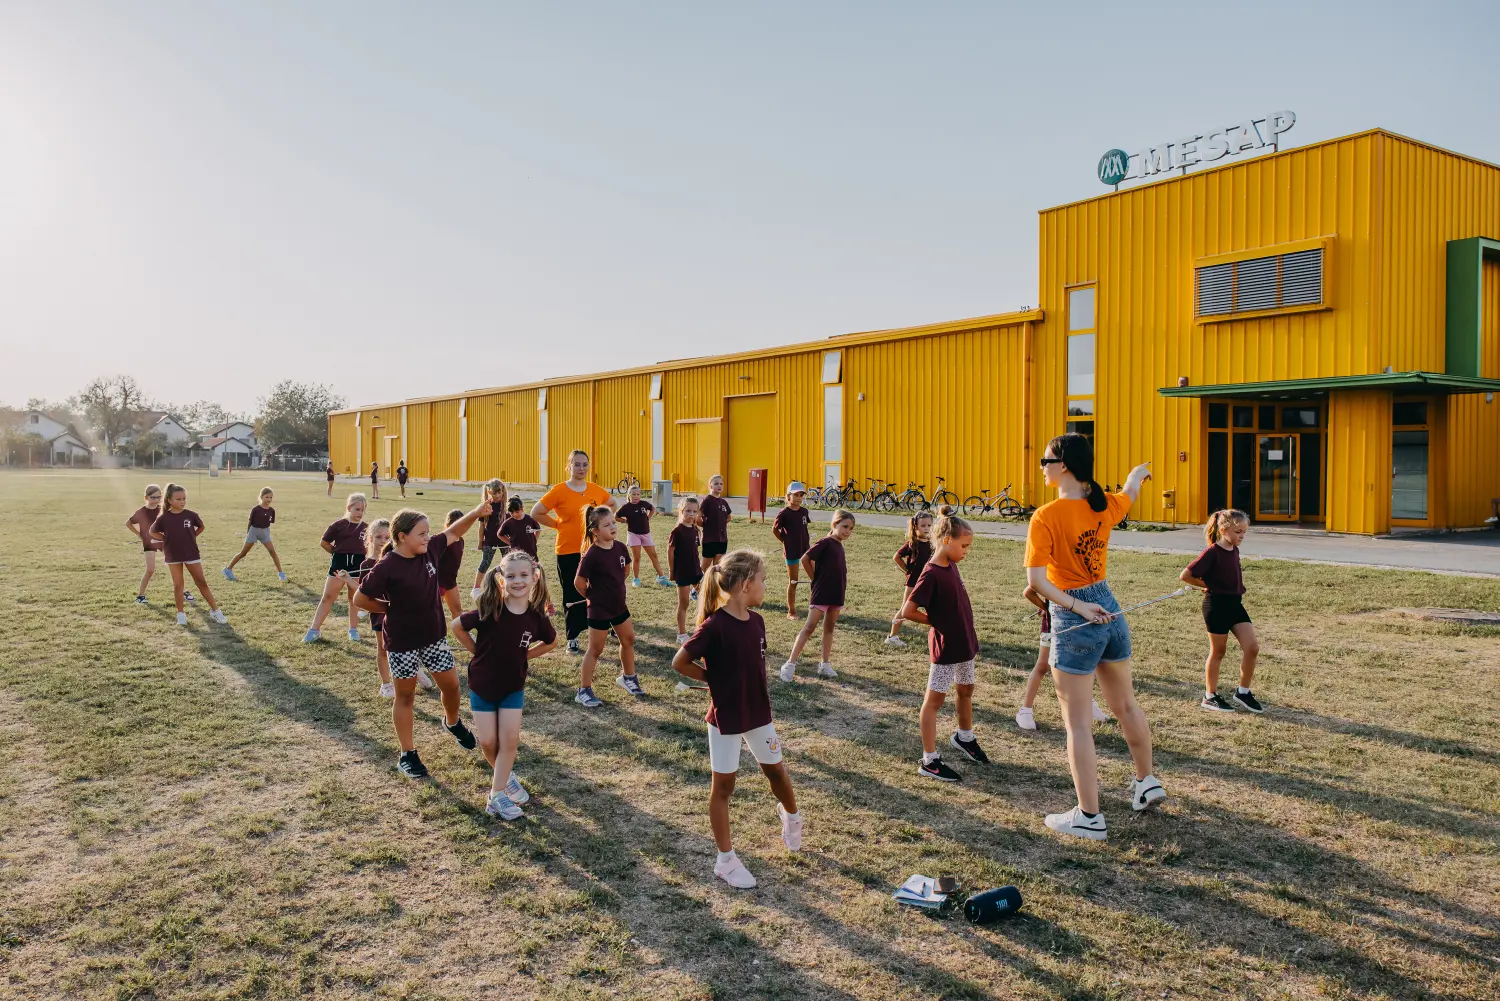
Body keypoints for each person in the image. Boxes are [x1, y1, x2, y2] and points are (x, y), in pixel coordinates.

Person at [1024, 433, 1163, 841]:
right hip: (1109, 607)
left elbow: (1036, 582)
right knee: (1126, 705)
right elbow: (1129, 493)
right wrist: (1137, 474)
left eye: (1046, 461)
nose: (1042, 468)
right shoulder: (1103, 505)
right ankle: (1146, 781)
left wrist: (1077, 607)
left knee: (1078, 725)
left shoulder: (1046, 516)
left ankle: (1089, 816)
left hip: (1077, 616)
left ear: (1064, 465)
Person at [672, 550, 802, 889]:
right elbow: (680, 662)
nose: (765, 586)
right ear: (746, 585)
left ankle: (792, 816)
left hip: (758, 714)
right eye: (762, 580)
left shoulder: (757, 622)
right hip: (725, 718)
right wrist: (712, 679)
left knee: (776, 771)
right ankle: (725, 861)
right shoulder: (714, 626)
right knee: (724, 788)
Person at [353, 500, 493, 779]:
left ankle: (452, 722)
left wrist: (477, 513)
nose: (428, 537)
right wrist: (390, 608)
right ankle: (407, 754)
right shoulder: (387, 566)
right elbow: (360, 599)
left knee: (451, 686)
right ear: (402, 536)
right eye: (421, 533)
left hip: (433, 637)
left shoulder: (430, 550)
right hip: (402, 642)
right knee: (405, 696)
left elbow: (454, 532)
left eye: (428, 532)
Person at [452, 551, 558, 819]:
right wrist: (476, 650)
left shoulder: (536, 616)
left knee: (509, 740)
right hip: (482, 684)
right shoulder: (492, 608)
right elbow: (456, 626)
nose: (517, 581)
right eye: (511, 576)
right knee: (488, 741)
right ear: (501, 579)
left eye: (523, 575)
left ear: (534, 577)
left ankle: (496, 796)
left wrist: (526, 655)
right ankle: (506, 777)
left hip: (513, 687)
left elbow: (552, 641)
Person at [901, 508, 985, 780]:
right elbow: (907, 610)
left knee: (966, 689)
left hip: (964, 642)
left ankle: (964, 737)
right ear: (947, 540)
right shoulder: (931, 573)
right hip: (946, 648)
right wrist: (936, 622)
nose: (966, 551)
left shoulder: (951, 564)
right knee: (934, 701)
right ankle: (929, 760)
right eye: (964, 546)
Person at [531, 449, 614, 654]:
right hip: (568, 550)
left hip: (594, 549)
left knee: (600, 588)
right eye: (577, 464)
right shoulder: (559, 490)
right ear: (569, 466)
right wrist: (558, 525)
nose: (581, 468)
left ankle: (606, 625)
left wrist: (603, 526)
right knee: (571, 591)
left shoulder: (595, 490)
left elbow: (612, 504)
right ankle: (573, 636)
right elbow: (536, 512)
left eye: (585, 464)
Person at [1181, 509, 1263, 714]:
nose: (1242, 536)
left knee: (1252, 647)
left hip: (1235, 605)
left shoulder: (1234, 550)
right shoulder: (1212, 552)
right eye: (1238, 532)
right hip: (1216, 606)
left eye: (1244, 532)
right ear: (1224, 530)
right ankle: (1210, 696)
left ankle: (1243, 692)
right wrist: (1207, 585)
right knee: (1218, 652)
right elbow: (1186, 575)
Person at [573, 506, 642, 705]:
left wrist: (614, 590)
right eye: (606, 525)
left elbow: (625, 570)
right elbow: (578, 582)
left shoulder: (620, 547)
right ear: (595, 531)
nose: (612, 527)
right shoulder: (592, 554)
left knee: (628, 639)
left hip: (619, 606)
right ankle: (584, 690)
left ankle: (628, 677)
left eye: (613, 523)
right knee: (595, 649)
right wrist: (593, 597)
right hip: (599, 610)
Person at [1015, 584, 1108, 730]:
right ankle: (1025, 711)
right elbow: (1029, 592)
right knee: (1043, 665)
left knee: (1082, 666)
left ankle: (1088, 704)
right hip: (1055, 625)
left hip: (1080, 623)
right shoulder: (1052, 573)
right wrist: (1046, 608)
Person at [780, 509, 854, 681]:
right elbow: (805, 558)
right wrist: (814, 578)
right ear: (834, 524)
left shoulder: (838, 545)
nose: (847, 531)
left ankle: (825, 664)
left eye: (850, 528)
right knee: (809, 627)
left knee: (829, 627)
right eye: (844, 526)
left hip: (836, 592)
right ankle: (790, 664)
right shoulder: (826, 542)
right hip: (822, 592)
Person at [149, 483, 227, 626]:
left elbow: (201, 526)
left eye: (184, 498)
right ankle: (181, 614)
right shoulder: (164, 518)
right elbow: (152, 532)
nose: (182, 501)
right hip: (173, 554)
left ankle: (215, 610)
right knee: (178, 584)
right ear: (169, 500)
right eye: (178, 499)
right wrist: (165, 539)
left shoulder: (191, 515)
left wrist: (191, 536)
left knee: (201, 582)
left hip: (191, 553)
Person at [305, 493, 370, 644]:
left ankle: (353, 630)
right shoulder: (338, 525)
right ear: (348, 508)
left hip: (358, 565)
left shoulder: (366, 528)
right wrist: (336, 554)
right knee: (328, 597)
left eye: (362, 510)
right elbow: (324, 542)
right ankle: (314, 630)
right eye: (357, 509)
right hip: (339, 564)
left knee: (354, 598)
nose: (360, 513)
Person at [127, 483, 191, 604]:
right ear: (146, 497)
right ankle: (140, 596)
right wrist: (139, 534)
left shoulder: (162, 510)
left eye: (158, 497)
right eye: (153, 497)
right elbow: (128, 523)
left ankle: (184, 591)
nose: (156, 500)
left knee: (176, 567)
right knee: (150, 570)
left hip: (163, 541)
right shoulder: (141, 512)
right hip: (149, 543)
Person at [884, 509, 933, 648]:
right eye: (923, 525)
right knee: (905, 608)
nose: (926, 528)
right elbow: (896, 557)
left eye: (929, 525)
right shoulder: (912, 543)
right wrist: (907, 570)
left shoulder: (932, 543)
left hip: (928, 581)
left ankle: (938, 634)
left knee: (933, 607)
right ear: (916, 526)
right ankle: (892, 637)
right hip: (912, 582)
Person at [360, 519, 395, 698]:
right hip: (379, 612)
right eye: (379, 537)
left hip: (398, 612)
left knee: (403, 646)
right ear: (370, 538)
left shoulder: (396, 560)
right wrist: (348, 580)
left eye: (387, 537)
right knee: (383, 648)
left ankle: (414, 672)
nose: (383, 541)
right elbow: (362, 594)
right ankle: (386, 684)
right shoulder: (366, 565)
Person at [223, 487, 286, 582]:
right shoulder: (255, 509)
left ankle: (281, 573)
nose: (269, 499)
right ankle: (228, 569)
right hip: (253, 532)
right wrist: (248, 534)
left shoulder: (272, 511)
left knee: (272, 552)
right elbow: (250, 522)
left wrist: (266, 533)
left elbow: (268, 523)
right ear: (261, 497)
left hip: (265, 533)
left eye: (271, 497)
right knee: (243, 553)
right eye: (267, 497)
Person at [771, 482, 812, 620]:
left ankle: (817, 608)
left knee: (815, 578)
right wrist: (785, 541)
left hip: (805, 550)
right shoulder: (784, 513)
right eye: (796, 495)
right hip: (791, 552)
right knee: (794, 581)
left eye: (801, 495)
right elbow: (775, 530)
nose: (799, 498)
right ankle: (791, 611)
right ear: (788, 496)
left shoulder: (804, 512)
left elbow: (803, 528)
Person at [617, 484, 668, 586]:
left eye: (638, 494)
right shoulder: (626, 507)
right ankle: (636, 579)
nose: (636, 496)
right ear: (629, 495)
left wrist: (648, 517)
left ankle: (661, 577)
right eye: (634, 494)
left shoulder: (644, 504)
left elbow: (652, 508)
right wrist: (624, 521)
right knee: (637, 557)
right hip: (633, 534)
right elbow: (616, 516)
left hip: (646, 534)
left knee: (653, 555)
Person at [668, 495, 703, 642]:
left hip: (696, 571)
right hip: (682, 572)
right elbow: (670, 552)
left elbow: (695, 552)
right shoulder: (677, 531)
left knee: (706, 598)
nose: (691, 514)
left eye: (694, 511)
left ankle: (704, 629)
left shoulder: (695, 530)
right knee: (684, 604)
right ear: (681, 511)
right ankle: (681, 634)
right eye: (688, 511)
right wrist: (672, 571)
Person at [470, 479, 510, 602]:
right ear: (489, 492)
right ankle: (476, 588)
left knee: (508, 565)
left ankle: (506, 588)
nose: (497, 495)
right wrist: (480, 542)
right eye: (494, 493)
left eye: (499, 492)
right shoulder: (485, 507)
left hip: (505, 541)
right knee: (485, 563)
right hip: (489, 540)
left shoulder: (507, 506)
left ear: (503, 491)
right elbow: (481, 526)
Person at [698, 475, 733, 572]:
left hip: (722, 539)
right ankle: (699, 582)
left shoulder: (723, 502)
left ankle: (714, 581)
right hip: (709, 539)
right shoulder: (707, 500)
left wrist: (720, 523)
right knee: (705, 566)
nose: (719, 485)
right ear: (710, 486)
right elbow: (698, 517)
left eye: (721, 484)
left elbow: (729, 517)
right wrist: (704, 525)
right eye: (716, 483)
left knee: (718, 565)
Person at [438, 508, 467, 620]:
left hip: (451, 582)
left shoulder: (461, 541)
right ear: (448, 525)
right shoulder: (442, 542)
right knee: (434, 613)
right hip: (438, 583)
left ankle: (459, 630)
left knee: (457, 611)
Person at [498, 496, 541, 561]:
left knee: (532, 566)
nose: (514, 514)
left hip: (531, 551)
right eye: (511, 512)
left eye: (517, 512)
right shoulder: (508, 523)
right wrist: (510, 542)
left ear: (522, 509)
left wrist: (534, 540)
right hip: (517, 554)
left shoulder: (529, 519)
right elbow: (499, 534)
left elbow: (538, 529)